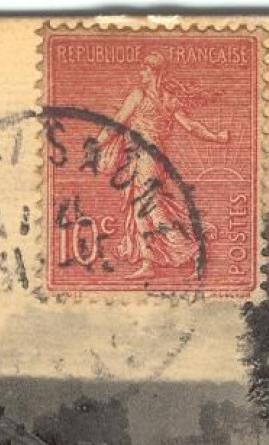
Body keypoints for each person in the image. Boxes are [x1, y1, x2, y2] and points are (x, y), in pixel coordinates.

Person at [94, 51, 231, 279]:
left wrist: (96, 144)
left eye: (144, 70)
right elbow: (192, 126)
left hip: (146, 159)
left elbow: (117, 123)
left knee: (152, 209)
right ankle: (149, 263)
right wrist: (216, 136)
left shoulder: (139, 96)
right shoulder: (169, 100)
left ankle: (193, 251)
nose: (141, 73)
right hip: (149, 158)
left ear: (153, 72)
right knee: (140, 209)